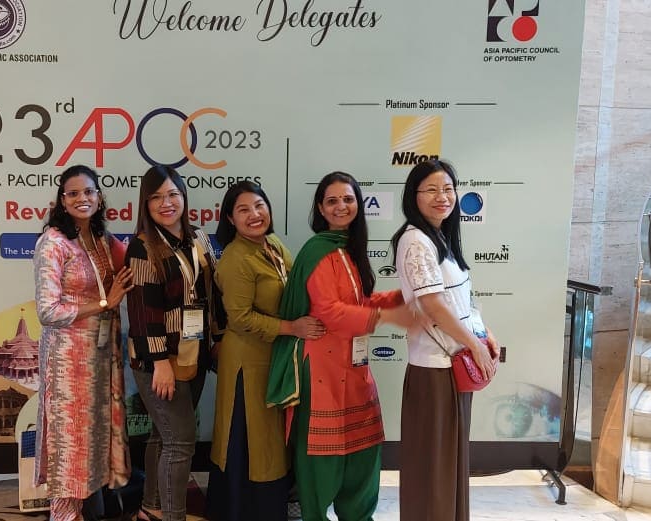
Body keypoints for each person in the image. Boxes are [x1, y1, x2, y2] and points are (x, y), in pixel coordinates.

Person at [266, 172, 413, 521]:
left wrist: (403, 297)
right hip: (321, 368)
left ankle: (358, 516)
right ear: (320, 208)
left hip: (353, 365)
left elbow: (357, 302)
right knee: (322, 454)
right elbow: (330, 311)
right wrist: (387, 317)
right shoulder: (318, 251)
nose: (341, 206)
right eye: (332, 201)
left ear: (358, 204)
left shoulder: (347, 248)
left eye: (348, 199)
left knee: (364, 448)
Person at [206, 181, 325, 521]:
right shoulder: (236, 258)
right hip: (248, 361)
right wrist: (292, 328)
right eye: (243, 210)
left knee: (272, 439)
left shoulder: (272, 244)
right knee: (251, 442)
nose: (254, 214)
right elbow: (241, 318)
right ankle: (244, 511)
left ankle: (275, 506)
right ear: (230, 219)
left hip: (276, 356)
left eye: (259, 205)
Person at [391, 159, 500, 521]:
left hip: (454, 366)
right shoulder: (415, 240)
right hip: (434, 368)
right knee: (433, 469)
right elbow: (434, 306)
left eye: (448, 189)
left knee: (448, 465)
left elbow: (460, 300)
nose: (443, 197)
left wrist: (484, 335)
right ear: (414, 196)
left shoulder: (440, 237)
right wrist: (474, 345)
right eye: (432, 190)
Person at [32, 165, 135, 521]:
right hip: (68, 364)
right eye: (73, 193)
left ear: (99, 197)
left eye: (89, 191)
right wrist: (104, 303)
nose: (82, 199)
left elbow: (136, 262)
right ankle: (64, 515)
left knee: (93, 443)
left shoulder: (101, 238)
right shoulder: (53, 242)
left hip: (102, 359)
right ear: (62, 200)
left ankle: (91, 509)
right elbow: (48, 311)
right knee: (70, 445)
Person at [125, 165, 224, 521]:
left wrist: (218, 338)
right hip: (159, 361)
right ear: (145, 204)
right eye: (156, 197)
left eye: (172, 195)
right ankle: (173, 516)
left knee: (163, 436)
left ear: (184, 197)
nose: (166, 203)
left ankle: (151, 508)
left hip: (194, 353)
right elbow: (142, 313)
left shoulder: (198, 238)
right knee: (181, 442)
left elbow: (213, 293)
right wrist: (160, 363)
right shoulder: (142, 248)